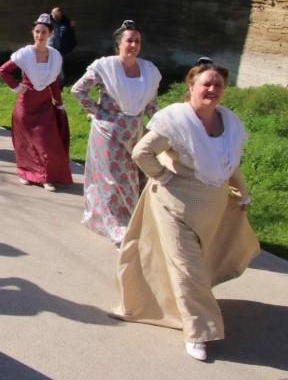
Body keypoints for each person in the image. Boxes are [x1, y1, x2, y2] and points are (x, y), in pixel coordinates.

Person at [114, 60, 259, 361]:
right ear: (190, 87)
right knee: (187, 268)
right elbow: (141, 152)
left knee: (197, 266)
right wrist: (165, 177)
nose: (212, 89)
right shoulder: (175, 121)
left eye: (218, 84)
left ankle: (176, 306)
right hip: (174, 206)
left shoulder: (228, 122)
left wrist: (242, 191)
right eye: (206, 83)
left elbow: (229, 163)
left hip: (211, 208)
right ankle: (199, 331)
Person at [71, 20, 161, 246]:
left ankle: (130, 220)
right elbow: (78, 90)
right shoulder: (105, 67)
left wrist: (163, 126)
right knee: (114, 180)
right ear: (119, 44)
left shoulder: (148, 71)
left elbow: (151, 104)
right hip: (108, 134)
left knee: (134, 177)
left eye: (137, 41)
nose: (133, 45)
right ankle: (118, 226)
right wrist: (98, 112)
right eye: (129, 40)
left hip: (136, 133)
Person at [0, 13, 72, 191]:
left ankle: (46, 176)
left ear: (50, 34)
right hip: (25, 104)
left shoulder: (54, 56)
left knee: (46, 141)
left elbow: (53, 81)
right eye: (37, 31)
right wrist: (17, 86)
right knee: (25, 143)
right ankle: (26, 172)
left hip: (44, 104)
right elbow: (3, 71)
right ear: (33, 32)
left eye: (44, 32)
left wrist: (59, 103)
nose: (40, 35)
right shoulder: (25, 54)